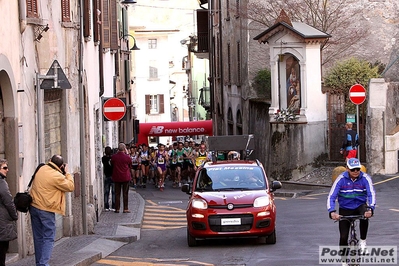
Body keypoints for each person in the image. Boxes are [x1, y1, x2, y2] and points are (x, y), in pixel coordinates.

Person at [30, 155, 75, 266]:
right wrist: (68, 173)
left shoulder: (41, 168)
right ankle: (43, 264)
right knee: (49, 237)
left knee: (38, 236)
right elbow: (70, 186)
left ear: (50, 161)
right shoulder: (56, 176)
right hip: (46, 209)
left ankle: (39, 262)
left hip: (34, 206)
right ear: (61, 166)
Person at [327, 158, 375, 257]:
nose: (356, 171)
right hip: (345, 208)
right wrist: (332, 212)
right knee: (343, 237)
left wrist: (371, 209)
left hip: (360, 205)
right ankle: (344, 261)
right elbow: (331, 196)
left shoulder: (365, 178)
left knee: (365, 214)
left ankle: (362, 241)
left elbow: (371, 194)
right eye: (353, 169)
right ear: (347, 169)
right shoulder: (340, 179)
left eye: (358, 169)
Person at [0, 159, 18, 266]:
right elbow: (9, 202)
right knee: (2, 251)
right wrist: (14, 215)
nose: (7, 170)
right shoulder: (2, 183)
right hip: (2, 222)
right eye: (4, 168)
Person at [111, 143, 132, 213]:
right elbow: (130, 164)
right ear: (124, 149)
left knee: (117, 193)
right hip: (125, 177)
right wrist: (127, 153)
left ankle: (117, 208)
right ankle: (125, 208)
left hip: (117, 176)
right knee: (125, 193)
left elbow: (112, 164)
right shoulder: (127, 157)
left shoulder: (114, 157)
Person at [102, 146, 115, 211]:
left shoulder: (103, 158)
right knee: (113, 192)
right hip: (113, 176)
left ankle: (106, 206)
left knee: (106, 192)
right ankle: (113, 206)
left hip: (107, 176)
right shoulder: (113, 158)